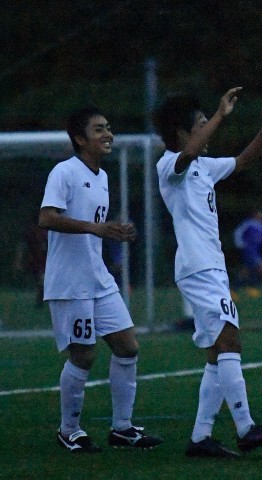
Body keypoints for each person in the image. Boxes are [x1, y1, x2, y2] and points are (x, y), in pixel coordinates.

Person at [154, 87, 262, 457]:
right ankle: (246, 428)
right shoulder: (169, 166)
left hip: (210, 268)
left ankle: (200, 439)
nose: (208, 129)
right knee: (230, 340)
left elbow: (243, 161)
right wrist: (220, 115)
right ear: (183, 132)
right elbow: (185, 155)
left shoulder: (204, 166)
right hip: (198, 268)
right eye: (201, 124)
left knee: (218, 352)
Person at [39, 106, 163, 453]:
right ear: (80, 139)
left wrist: (117, 231)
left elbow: (94, 226)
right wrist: (96, 228)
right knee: (84, 355)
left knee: (127, 346)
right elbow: (47, 218)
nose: (108, 134)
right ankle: (69, 430)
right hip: (70, 282)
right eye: (98, 130)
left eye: (108, 128)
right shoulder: (64, 172)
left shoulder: (102, 176)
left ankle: (122, 428)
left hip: (98, 278)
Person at [233, 209, 262, 298]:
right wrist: (240, 244)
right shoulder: (249, 223)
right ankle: (252, 286)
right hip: (249, 250)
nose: (261, 216)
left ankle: (237, 287)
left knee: (247, 270)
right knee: (260, 267)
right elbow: (238, 232)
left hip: (257, 251)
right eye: (259, 214)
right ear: (255, 215)